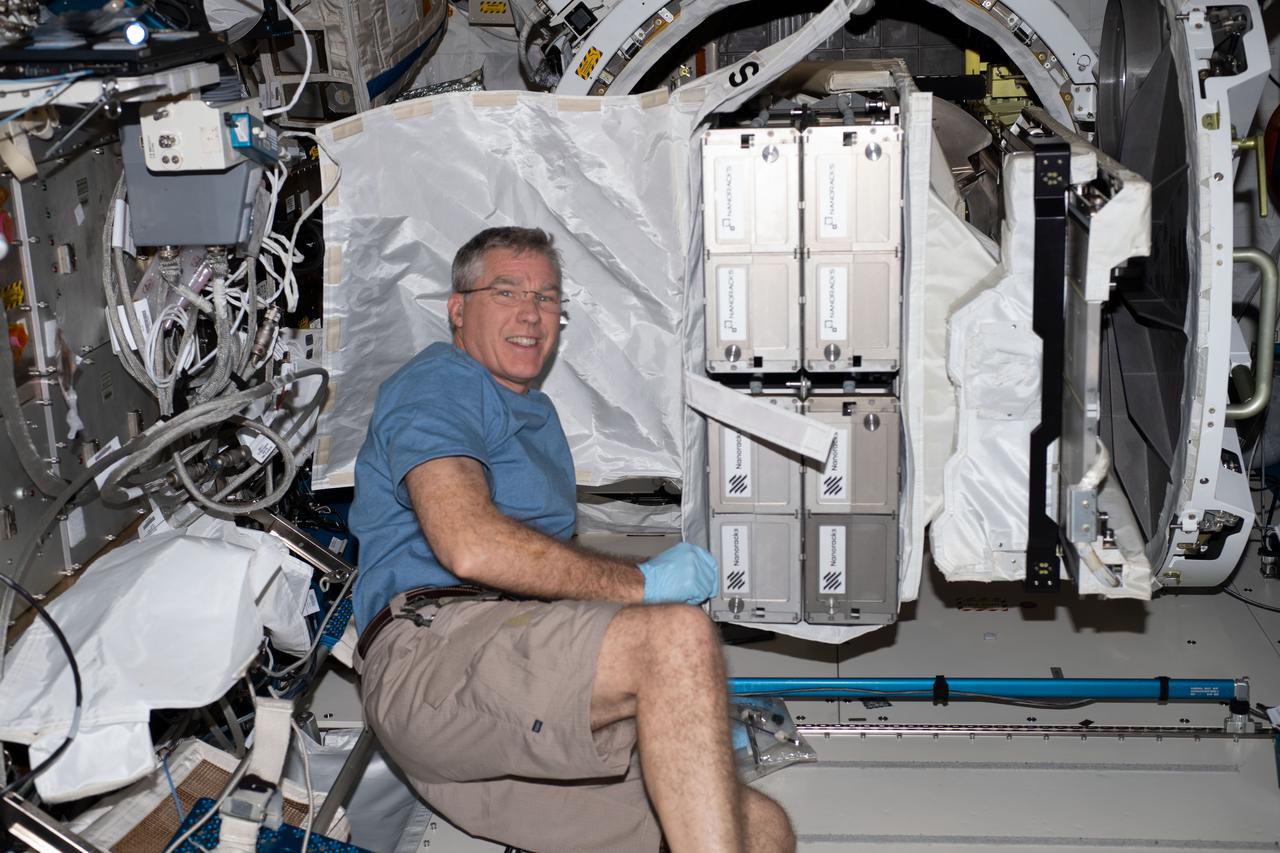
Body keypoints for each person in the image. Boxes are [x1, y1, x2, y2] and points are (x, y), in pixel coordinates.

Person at [349, 226, 795, 852]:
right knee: (675, 641)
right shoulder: (441, 382)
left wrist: (682, 703)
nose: (531, 313)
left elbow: (547, 581)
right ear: (458, 310)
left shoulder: (538, 417)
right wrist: (642, 587)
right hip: (432, 659)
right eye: (507, 292)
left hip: (499, 718)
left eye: (547, 297)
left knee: (762, 828)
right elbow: (469, 545)